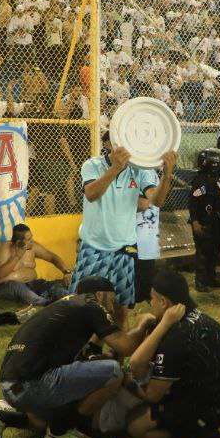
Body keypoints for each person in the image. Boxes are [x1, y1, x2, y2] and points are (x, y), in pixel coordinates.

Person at [0, 276, 149, 438]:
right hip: (30, 385)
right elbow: (126, 347)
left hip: (13, 384)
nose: (111, 307)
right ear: (100, 295)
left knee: (44, 420)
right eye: (111, 300)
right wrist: (142, 323)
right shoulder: (92, 305)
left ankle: (0, 415)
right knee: (113, 372)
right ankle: (62, 433)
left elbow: (88, 353)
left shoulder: (68, 305)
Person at [123, 269, 220, 438]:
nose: (150, 303)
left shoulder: (177, 335)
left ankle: (213, 433)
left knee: (136, 426)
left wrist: (127, 382)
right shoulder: (192, 317)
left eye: (152, 299)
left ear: (163, 302)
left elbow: (151, 392)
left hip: (216, 413)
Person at [73, 132, 175, 308]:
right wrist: (115, 168)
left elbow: (156, 201)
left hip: (125, 248)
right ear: (110, 144)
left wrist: (166, 176)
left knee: (121, 307)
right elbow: (91, 194)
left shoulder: (142, 170)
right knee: (81, 304)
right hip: (94, 245)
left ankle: (119, 335)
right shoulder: (92, 165)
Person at [0, 223, 73, 308]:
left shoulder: (33, 247)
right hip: (4, 288)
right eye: (29, 239)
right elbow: (0, 274)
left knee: (48, 285)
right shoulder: (5, 249)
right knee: (17, 287)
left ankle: (70, 297)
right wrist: (17, 257)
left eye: (31, 237)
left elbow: (52, 257)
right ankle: (46, 303)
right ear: (19, 242)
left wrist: (66, 271)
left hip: (30, 284)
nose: (32, 241)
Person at [188, 148, 220, 292]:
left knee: (213, 250)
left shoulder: (214, 177)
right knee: (202, 251)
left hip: (214, 219)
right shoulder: (200, 180)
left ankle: (211, 278)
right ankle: (200, 281)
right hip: (202, 220)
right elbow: (193, 202)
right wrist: (195, 221)